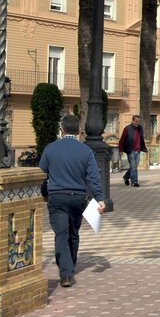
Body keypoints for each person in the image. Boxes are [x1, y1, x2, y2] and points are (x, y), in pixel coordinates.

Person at [38, 114, 104, 288]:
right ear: (79, 131)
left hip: (56, 197)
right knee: (73, 233)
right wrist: (100, 198)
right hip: (78, 198)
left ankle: (66, 274)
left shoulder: (51, 148)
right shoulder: (86, 151)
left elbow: (41, 174)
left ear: (62, 129)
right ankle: (70, 266)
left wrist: (44, 192)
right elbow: (93, 177)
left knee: (61, 234)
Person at [117, 114, 147, 187]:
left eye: (138, 121)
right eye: (136, 121)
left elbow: (141, 139)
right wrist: (120, 150)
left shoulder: (140, 128)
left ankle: (126, 177)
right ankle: (134, 182)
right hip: (130, 150)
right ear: (132, 121)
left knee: (134, 167)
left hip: (138, 150)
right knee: (133, 166)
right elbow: (122, 140)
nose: (137, 123)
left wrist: (143, 147)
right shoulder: (127, 128)